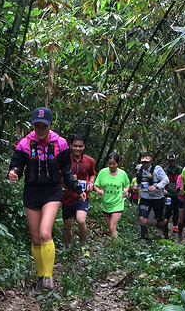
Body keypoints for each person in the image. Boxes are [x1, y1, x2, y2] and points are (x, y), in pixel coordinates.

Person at [8, 108, 85, 289]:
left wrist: (76, 188)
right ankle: (41, 276)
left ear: (51, 125)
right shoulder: (24, 144)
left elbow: (66, 171)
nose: (40, 129)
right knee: (35, 239)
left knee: (45, 233)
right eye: (37, 125)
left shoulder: (61, 144)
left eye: (44, 125)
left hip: (52, 191)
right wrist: (14, 173)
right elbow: (16, 165)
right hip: (32, 192)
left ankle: (49, 279)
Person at [62, 135, 96, 257]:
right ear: (70, 146)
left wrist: (91, 182)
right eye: (75, 146)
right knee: (67, 225)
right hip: (67, 196)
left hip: (83, 196)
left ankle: (83, 246)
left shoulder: (89, 161)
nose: (77, 148)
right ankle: (67, 247)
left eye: (80, 146)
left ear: (84, 146)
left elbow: (92, 174)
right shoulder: (64, 160)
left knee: (81, 220)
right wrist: (68, 179)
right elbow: (59, 176)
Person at [94, 151, 130, 238]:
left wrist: (125, 190)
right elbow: (95, 185)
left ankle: (116, 247)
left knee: (112, 226)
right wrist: (98, 190)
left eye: (114, 164)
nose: (111, 166)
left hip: (117, 203)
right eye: (109, 164)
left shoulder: (122, 174)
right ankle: (113, 245)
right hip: (106, 203)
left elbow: (127, 185)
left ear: (118, 163)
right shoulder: (103, 172)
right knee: (111, 228)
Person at [135, 152, 169, 240]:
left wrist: (156, 186)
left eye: (147, 162)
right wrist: (135, 186)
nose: (145, 164)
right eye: (143, 162)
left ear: (151, 161)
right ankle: (143, 238)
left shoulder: (157, 169)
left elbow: (166, 180)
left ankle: (166, 233)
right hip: (144, 197)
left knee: (160, 220)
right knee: (142, 218)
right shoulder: (140, 169)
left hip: (157, 198)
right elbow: (138, 180)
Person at [164, 154, 182, 233]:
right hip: (168, 193)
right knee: (169, 209)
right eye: (170, 161)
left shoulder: (180, 169)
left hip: (177, 193)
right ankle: (165, 221)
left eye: (173, 160)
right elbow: (162, 180)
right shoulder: (165, 170)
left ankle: (175, 226)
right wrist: (163, 189)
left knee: (176, 210)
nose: (171, 162)